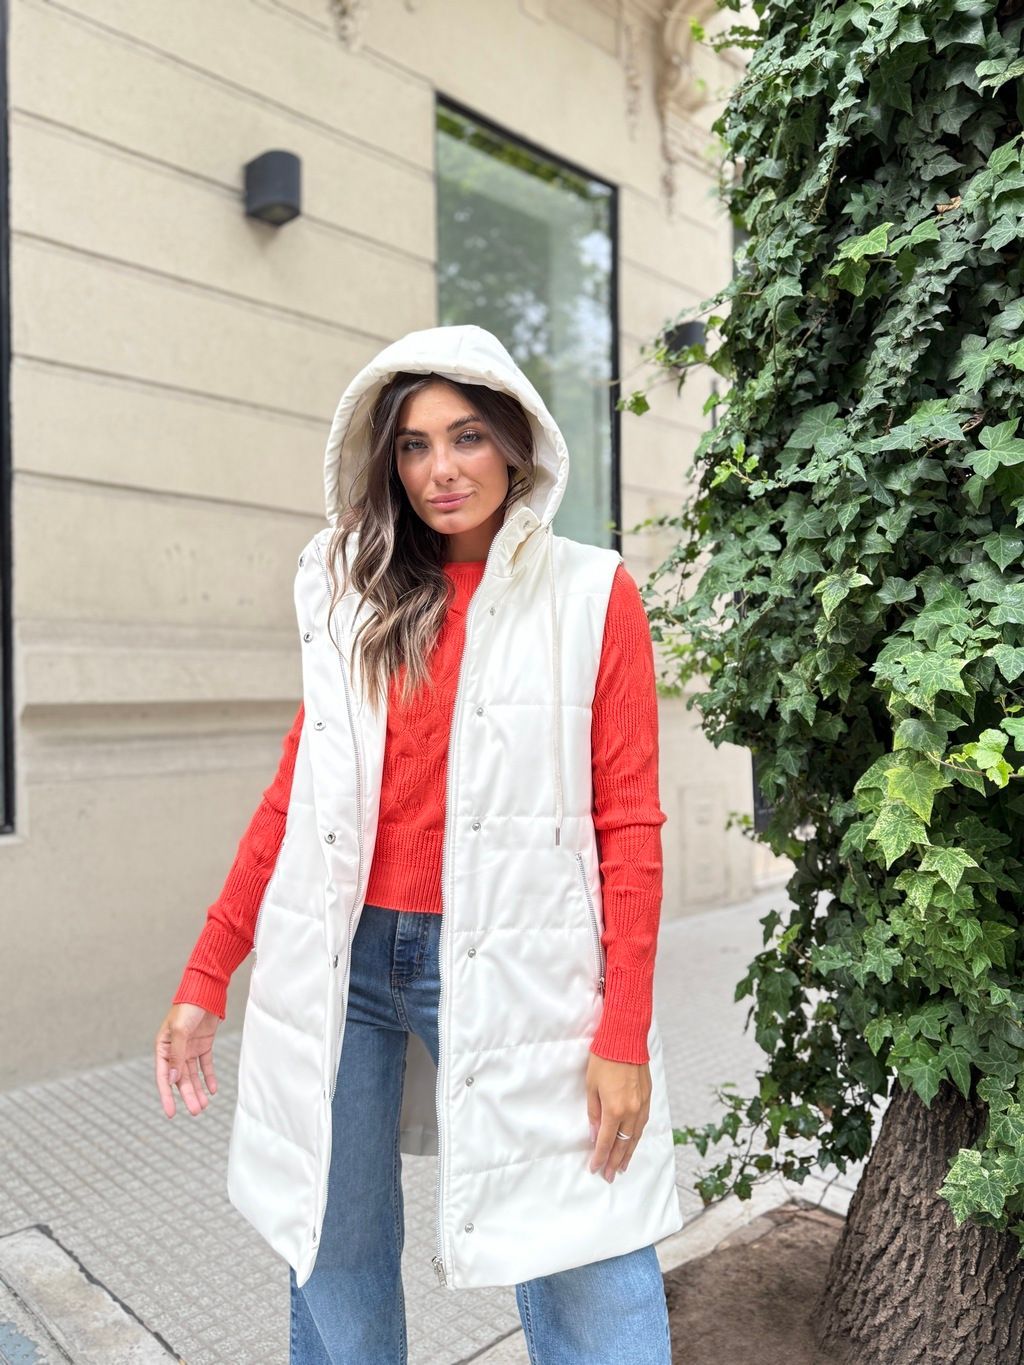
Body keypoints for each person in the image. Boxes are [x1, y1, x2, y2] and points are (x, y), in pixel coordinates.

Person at [154, 323, 683, 1363]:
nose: (440, 469)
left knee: (585, 1242)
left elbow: (630, 824)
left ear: (518, 445)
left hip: (513, 961)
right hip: (343, 961)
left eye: (467, 437)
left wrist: (623, 1033)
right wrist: (208, 969)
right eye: (413, 444)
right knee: (331, 1244)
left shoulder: (590, 593)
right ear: (385, 460)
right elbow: (293, 796)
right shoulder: (358, 597)